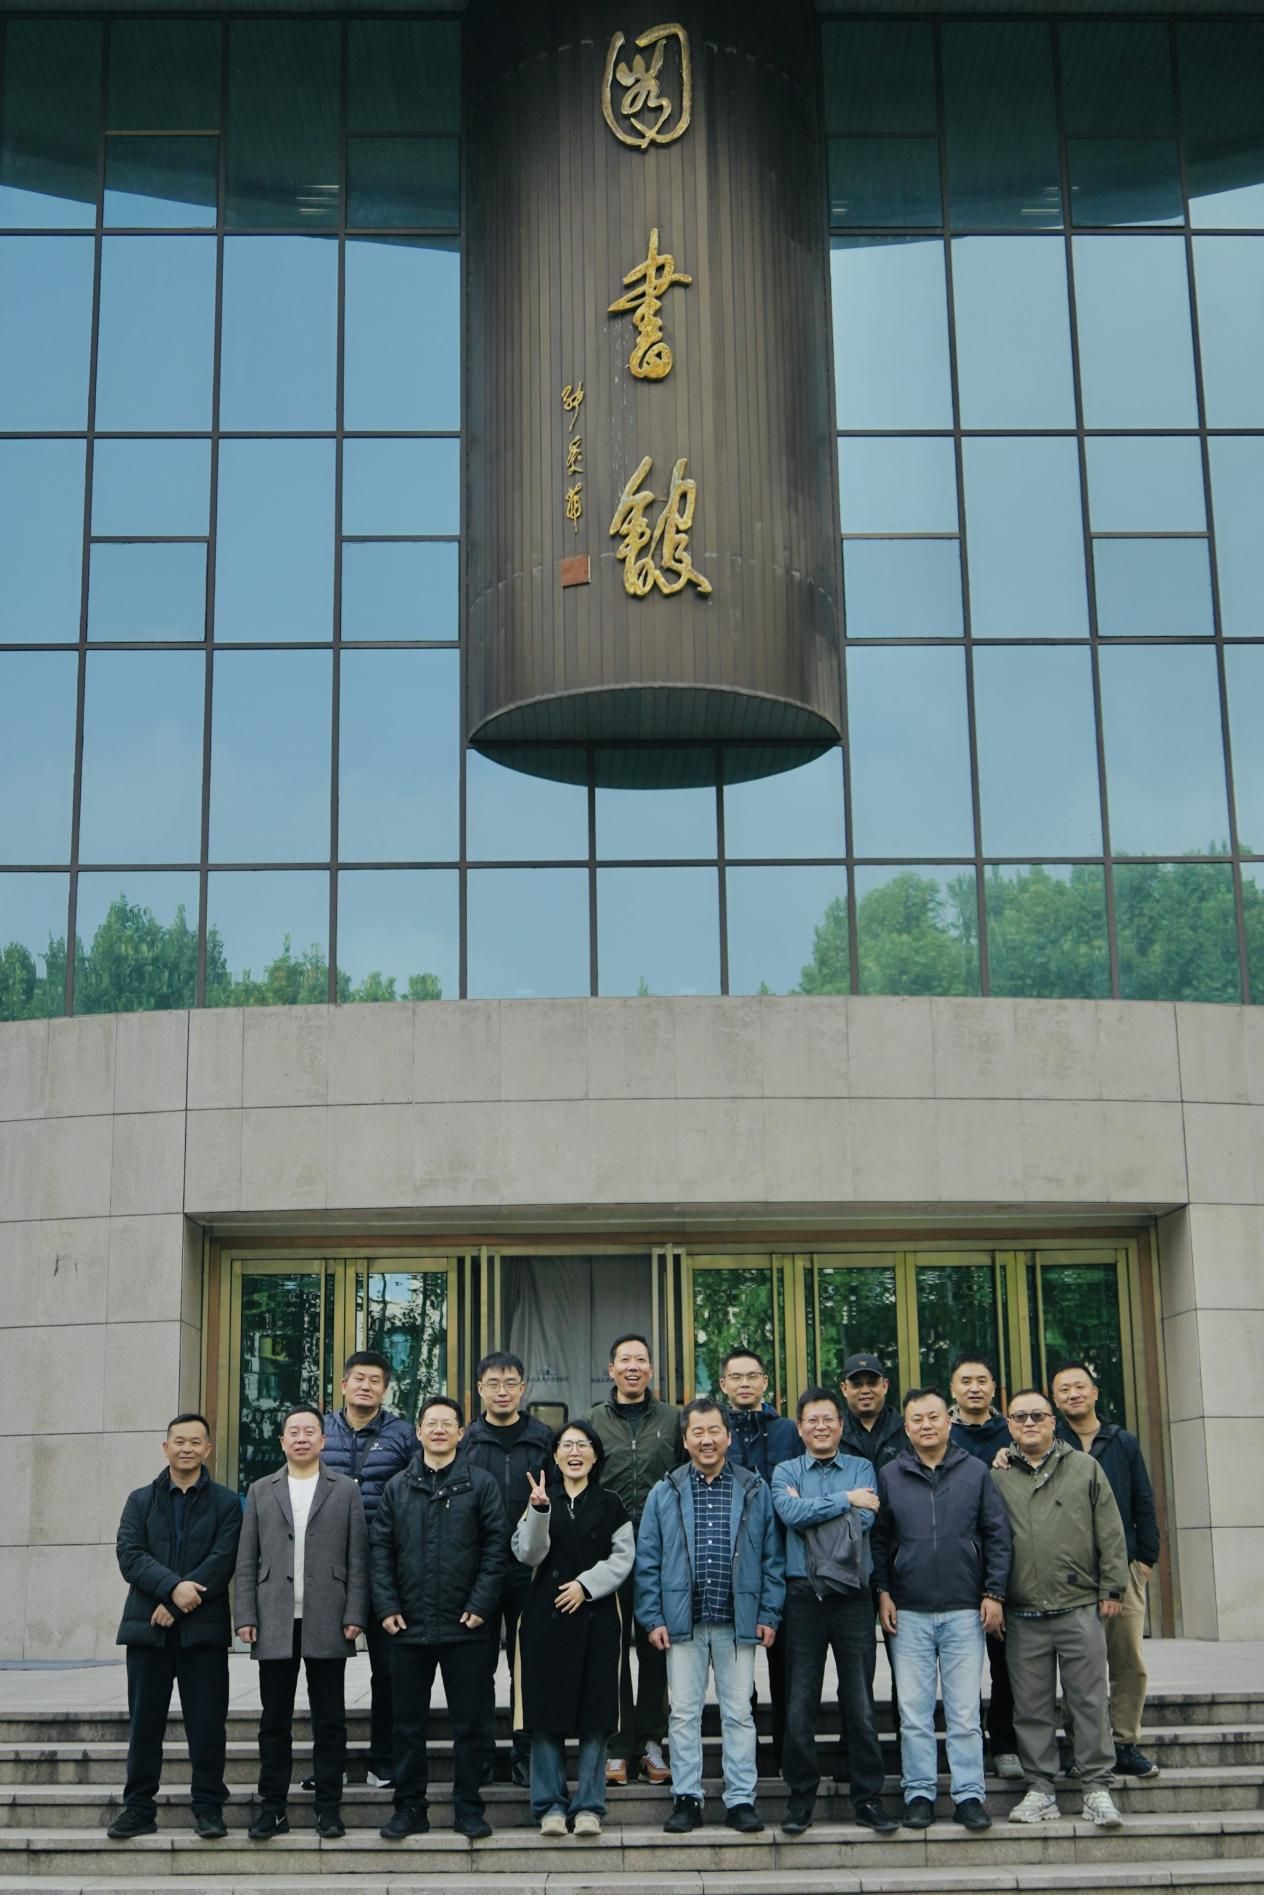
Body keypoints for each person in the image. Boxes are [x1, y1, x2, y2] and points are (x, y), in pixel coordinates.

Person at [635, 1397, 784, 1835]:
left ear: (728, 1436)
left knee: (738, 1713)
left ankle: (741, 1800)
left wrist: (769, 1613)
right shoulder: (666, 1491)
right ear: (685, 1440)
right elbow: (648, 1560)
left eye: (714, 1430)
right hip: (684, 1622)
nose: (706, 1439)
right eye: (697, 1432)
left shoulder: (753, 1489)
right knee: (683, 1713)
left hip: (738, 1620)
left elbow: (772, 1558)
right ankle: (687, 1798)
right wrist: (652, 1617)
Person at [872, 1388, 1012, 1833]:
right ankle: (919, 1793)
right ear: (906, 1427)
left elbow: (997, 1534)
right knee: (913, 1712)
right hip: (908, 1611)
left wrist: (994, 1593)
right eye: (917, 1419)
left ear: (948, 1421)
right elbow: (879, 1540)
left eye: (933, 1417)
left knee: (964, 1712)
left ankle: (969, 1795)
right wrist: (883, 1591)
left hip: (964, 1610)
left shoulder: (975, 1472)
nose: (926, 1425)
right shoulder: (890, 1475)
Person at [370, 1395, 507, 1842]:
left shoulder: (480, 1484)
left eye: (448, 1423)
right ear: (418, 1431)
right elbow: (380, 1551)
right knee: (407, 1726)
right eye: (431, 1423)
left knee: (471, 1725)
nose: (439, 1430)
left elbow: (496, 1550)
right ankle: (410, 1807)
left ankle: (468, 1807)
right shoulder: (397, 1487)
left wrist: (481, 1604)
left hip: (466, 1626)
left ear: (461, 1433)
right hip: (407, 1626)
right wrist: (387, 1606)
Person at [991, 1388, 1128, 1828]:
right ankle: (1041, 1788)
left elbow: (1110, 1531)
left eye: (1038, 1415)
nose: (1029, 1423)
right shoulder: (997, 1476)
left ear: (1053, 1422)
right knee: (1030, 1707)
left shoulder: (1085, 1467)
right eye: (1020, 1417)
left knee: (1088, 1701)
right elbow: (987, 1540)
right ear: (1009, 1425)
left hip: (1079, 1605)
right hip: (1022, 1612)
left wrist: (1112, 1588)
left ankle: (1097, 1788)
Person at [234, 1406, 369, 1841]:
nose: (302, 1438)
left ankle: (328, 1807)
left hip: (328, 1617)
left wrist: (355, 1613)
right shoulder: (261, 1490)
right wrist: (245, 1614)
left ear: (323, 1440)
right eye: (293, 1432)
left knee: (330, 1719)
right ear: (282, 1441)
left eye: (310, 1431)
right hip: (274, 1619)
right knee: (274, 1720)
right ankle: (272, 1807)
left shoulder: (345, 1489)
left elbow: (358, 1557)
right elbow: (246, 1558)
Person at [108, 1413, 242, 1841]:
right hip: (148, 1630)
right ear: (165, 1447)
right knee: (145, 1725)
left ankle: (208, 1808)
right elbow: (130, 1554)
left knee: (207, 1726)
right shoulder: (140, 1500)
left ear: (208, 1450)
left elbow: (223, 1559)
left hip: (203, 1632)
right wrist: (171, 1590)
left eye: (195, 1442)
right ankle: (138, 1809)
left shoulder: (227, 1503)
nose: (187, 1448)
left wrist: (179, 1604)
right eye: (179, 1441)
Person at [772, 1387, 898, 1837]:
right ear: (800, 1428)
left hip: (852, 1596)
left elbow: (865, 1522)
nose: (821, 1427)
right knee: (800, 1702)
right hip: (802, 1597)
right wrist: (845, 1501)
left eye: (829, 1419)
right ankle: (800, 1798)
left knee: (860, 1702)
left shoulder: (861, 1468)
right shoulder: (786, 1470)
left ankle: (867, 1798)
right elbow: (789, 1514)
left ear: (841, 1426)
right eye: (812, 1420)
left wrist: (813, 1513)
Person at [512, 1419, 634, 1836]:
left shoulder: (611, 1503)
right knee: (545, 1716)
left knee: (595, 1716)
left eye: (583, 1445)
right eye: (566, 1445)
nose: (575, 1452)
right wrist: (539, 1511)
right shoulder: (541, 1497)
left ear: (596, 1455)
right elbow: (528, 1554)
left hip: (598, 1619)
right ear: (555, 1455)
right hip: (545, 1622)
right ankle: (549, 1806)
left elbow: (623, 1558)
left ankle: (589, 1807)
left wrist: (586, 1586)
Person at [1051, 1361, 1161, 1780]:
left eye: (1080, 1386)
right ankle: (1083, 1746)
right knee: (1078, 1664)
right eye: (1064, 1389)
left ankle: (1125, 1741)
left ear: (1095, 1392)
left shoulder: (1122, 1441)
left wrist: (1145, 1559)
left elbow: (1143, 1500)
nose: (1073, 1394)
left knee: (1127, 1658)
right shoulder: (1050, 1441)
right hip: (1071, 1572)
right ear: (1055, 1399)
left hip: (1123, 1567)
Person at [588, 1332, 681, 1786]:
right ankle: (617, 1746)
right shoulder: (593, 1421)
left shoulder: (675, 1420)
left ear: (650, 1369)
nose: (632, 1367)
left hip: (661, 1556)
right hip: (610, 1555)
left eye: (640, 1360)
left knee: (656, 1650)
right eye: (624, 1360)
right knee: (612, 1653)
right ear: (611, 1369)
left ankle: (651, 1742)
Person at [319, 1349, 416, 1787]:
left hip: (384, 1565)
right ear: (343, 1385)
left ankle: (384, 1760)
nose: (366, 1386)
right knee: (325, 1670)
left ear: (385, 1389)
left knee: (388, 1669)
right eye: (358, 1378)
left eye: (375, 1380)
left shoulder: (403, 1435)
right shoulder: (319, 1431)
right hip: (328, 1566)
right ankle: (329, 1765)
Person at [460, 1351, 553, 1787]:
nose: (502, 1391)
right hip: (477, 1570)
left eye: (510, 1383)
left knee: (528, 1667)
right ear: (480, 1389)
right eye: (493, 1383)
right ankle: (479, 1758)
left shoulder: (543, 1439)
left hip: (528, 1570)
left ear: (522, 1388)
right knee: (476, 1669)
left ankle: (526, 1755)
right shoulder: (467, 1442)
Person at [719, 1346, 797, 1770]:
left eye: (753, 1376)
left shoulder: (788, 1432)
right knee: (737, 1673)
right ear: (723, 1384)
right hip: (731, 1568)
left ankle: (786, 1755)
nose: (745, 1383)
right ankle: (744, 1758)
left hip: (782, 1563)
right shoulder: (714, 1431)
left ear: (765, 1382)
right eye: (736, 1377)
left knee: (786, 1667)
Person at [948, 1351, 1023, 1780]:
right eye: (966, 1381)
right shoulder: (941, 1432)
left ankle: (1004, 1742)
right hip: (953, 1565)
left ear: (995, 1388)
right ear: (953, 1389)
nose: (974, 1387)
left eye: (982, 1380)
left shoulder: (1013, 1431)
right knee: (958, 1668)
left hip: (1002, 1561)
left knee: (1004, 1662)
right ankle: (964, 1744)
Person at [838, 1351, 905, 1773]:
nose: (865, 1390)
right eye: (856, 1383)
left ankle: (907, 1749)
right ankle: (853, 1751)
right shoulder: (834, 1430)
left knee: (907, 1666)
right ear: (844, 1388)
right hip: (849, 1561)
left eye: (872, 1382)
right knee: (856, 1666)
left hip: (903, 1557)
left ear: (884, 1386)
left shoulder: (907, 1428)